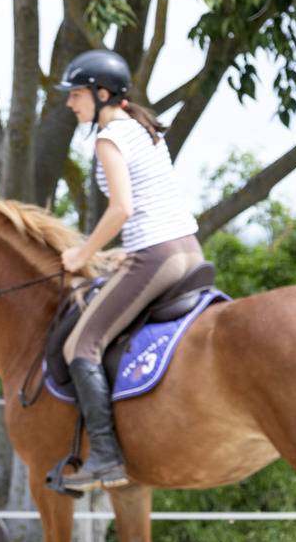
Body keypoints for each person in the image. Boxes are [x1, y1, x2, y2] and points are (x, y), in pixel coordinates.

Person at [53, 48, 202, 490]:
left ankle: (105, 456)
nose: (69, 103)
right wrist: (119, 252)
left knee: (81, 346)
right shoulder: (143, 129)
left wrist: (82, 254)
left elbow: (121, 208)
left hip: (157, 255)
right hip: (186, 249)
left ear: (101, 94)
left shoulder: (109, 137)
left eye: (76, 94)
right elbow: (150, 207)